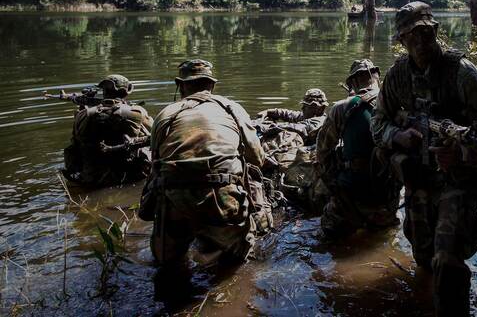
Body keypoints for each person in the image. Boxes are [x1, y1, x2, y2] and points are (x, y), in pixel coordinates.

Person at [371, 2, 477, 316]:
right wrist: (398, 136)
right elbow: (377, 122)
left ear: (435, 31)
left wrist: (460, 153)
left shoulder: (462, 74)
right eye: (411, 35)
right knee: (423, 258)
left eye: (425, 32)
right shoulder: (396, 77)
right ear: (402, 40)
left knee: (446, 259)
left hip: (458, 178)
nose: (420, 41)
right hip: (420, 177)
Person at [139, 59, 272, 267]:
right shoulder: (232, 108)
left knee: (168, 267)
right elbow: (257, 158)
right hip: (223, 197)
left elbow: (155, 163)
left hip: (175, 198)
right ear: (212, 85)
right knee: (237, 261)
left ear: (181, 84)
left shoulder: (166, 113)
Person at [316, 59, 402, 239]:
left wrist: (334, 184)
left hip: (350, 198)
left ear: (353, 82)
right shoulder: (398, 105)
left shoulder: (341, 108)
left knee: (327, 238)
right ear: (378, 77)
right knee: (385, 237)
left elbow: (323, 152)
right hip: (387, 199)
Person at [62, 74, 153, 187]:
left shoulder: (83, 115)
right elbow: (156, 135)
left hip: (91, 177)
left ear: (104, 91)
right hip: (129, 177)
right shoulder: (137, 113)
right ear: (126, 92)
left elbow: (76, 143)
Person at [257, 88, 328, 145]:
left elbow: (297, 127)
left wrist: (269, 127)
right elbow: (290, 114)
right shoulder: (309, 116)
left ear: (319, 109)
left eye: (306, 107)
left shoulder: (319, 122)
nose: (302, 108)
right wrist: (268, 111)